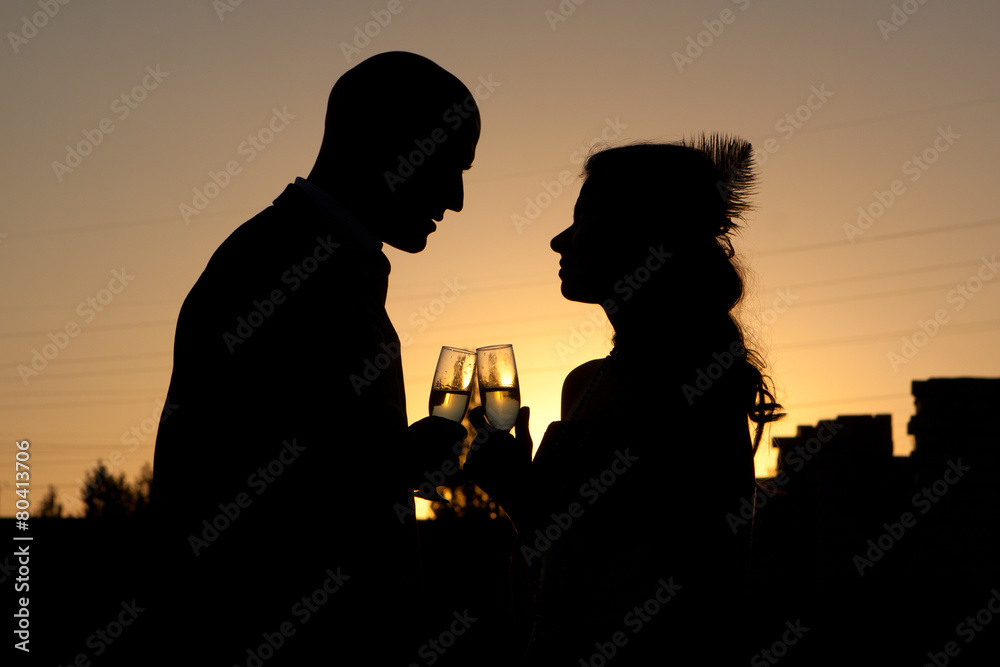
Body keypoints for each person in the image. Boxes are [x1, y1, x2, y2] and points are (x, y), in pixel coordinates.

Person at [148, 52, 477, 665]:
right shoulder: (273, 269)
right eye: (449, 166)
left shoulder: (315, 258)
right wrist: (394, 464)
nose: (456, 199)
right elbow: (203, 479)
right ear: (390, 143)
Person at [465, 137, 783, 665]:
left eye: (584, 218)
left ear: (642, 236)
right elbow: (556, 554)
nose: (558, 241)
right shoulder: (583, 382)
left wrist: (511, 488)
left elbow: (649, 567)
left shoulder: (693, 388)